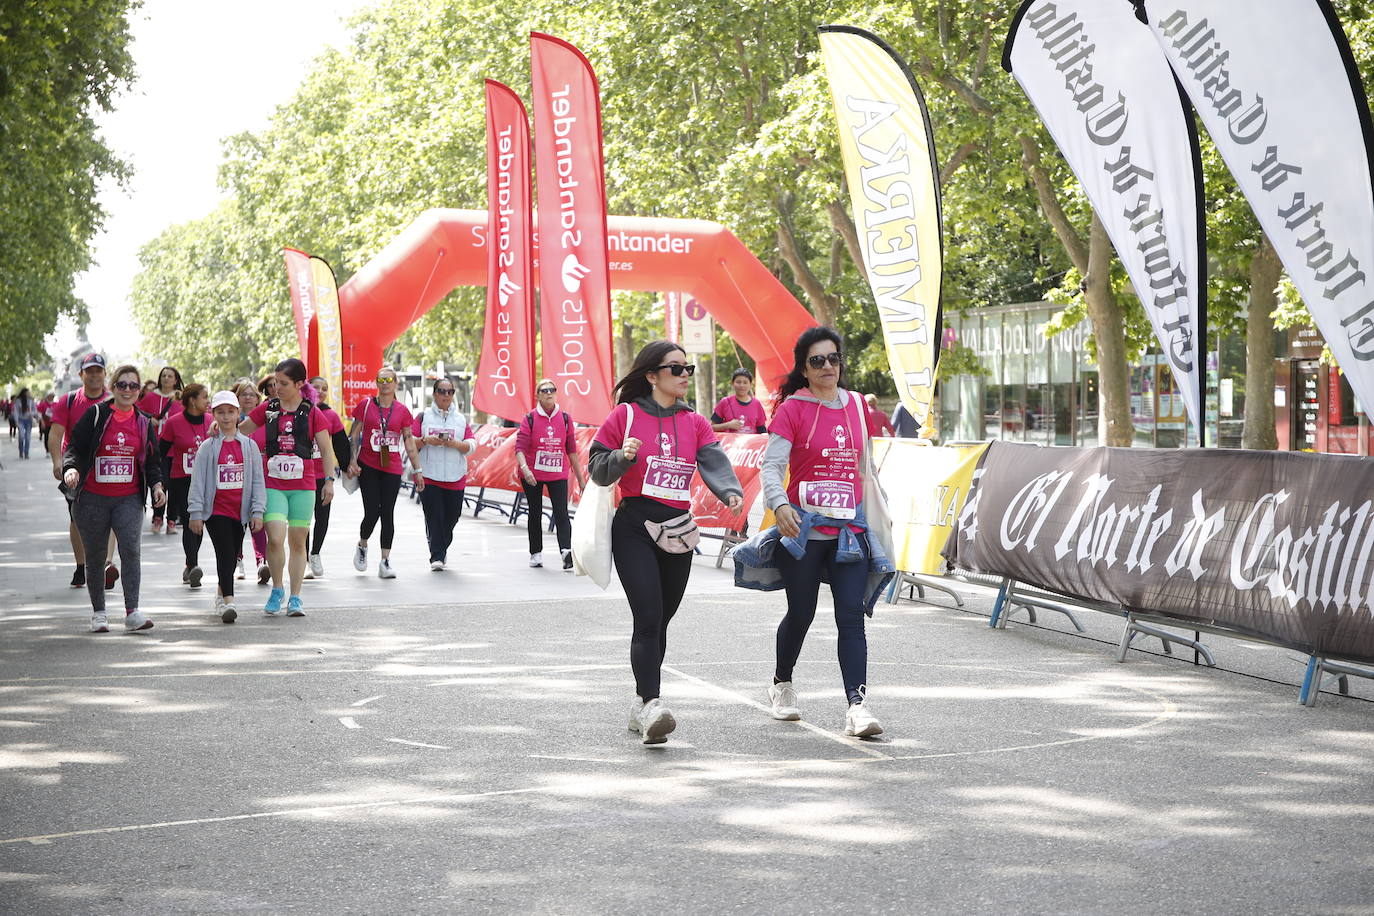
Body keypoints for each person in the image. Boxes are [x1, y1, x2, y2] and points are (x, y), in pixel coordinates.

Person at [734, 326, 896, 739]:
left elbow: (865, 469)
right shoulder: (792, 409)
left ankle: (857, 707)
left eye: (834, 358)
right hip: (802, 532)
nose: (828, 366)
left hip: (850, 534)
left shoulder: (857, 405)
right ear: (804, 368)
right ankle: (781, 684)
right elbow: (772, 466)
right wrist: (780, 503)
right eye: (818, 360)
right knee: (802, 612)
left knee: (851, 618)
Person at [589, 341, 743, 745]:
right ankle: (652, 703)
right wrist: (622, 457)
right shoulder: (625, 415)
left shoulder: (695, 422)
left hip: (678, 530)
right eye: (676, 369)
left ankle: (642, 705)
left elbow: (714, 461)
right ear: (652, 375)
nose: (685, 375)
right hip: (634, 527)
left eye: (687, 368)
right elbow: (597, 470)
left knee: (663, 620)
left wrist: (730, 491)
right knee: (649, 616)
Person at [61, 364, 165, 632]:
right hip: (93, 499)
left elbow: (152, 461)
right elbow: (74, 448)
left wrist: (157, 486)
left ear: (139, 390)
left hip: (128, 499)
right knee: (95, 557)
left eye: (133, 385)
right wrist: (71, 469)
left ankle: (133, 611)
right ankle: (99, 613)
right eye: (122, 385)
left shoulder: (142, 422)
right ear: (113, 387)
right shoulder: (96, 414)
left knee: (130, 550)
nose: (128, 390)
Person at [239, 358, 336, 616]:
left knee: (296, 541)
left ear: (299, 384)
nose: (277, 387)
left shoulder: (312, 412)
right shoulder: (268, 409)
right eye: (275, 382)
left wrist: (329, 481)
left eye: (283, 383)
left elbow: (327, 450)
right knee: (276, 538)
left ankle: (295, 597)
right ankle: (277, 589)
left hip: (303, 487)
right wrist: (222, 427)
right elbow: (242, 430)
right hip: (274, 485)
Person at [188, 391, 266, 624]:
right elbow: (198, 481)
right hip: (216, 511)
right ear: (213, 415)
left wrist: (257, 510)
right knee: (225, 552)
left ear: (238, 413)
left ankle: (221, 594)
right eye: (220, 412)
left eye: (230, 412)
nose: (226, 417)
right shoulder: (207, 448)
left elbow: (258, 480)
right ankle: (230, 602)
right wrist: (196, 513)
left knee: (232, 557)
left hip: (239, 512)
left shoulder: (249, 446)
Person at [345, 366, 423, 579]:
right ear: (377, 382)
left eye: (390, 379)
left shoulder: (403, 411)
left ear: (396, 383)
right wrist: (351, 461)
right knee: (372, 512)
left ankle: (385, 561)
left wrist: (417, 470)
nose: (385, 382)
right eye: (381, 378)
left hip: (392, 467)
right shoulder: (366, 405)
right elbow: (354, 436)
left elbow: (408, 441)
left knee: (387, 513)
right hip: (368, 465)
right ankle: (362, 545)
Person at [50, 353, 116, 590]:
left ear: (105, 374)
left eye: (99, 370)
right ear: (82, 375)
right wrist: (58, 462)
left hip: (108, 467)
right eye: (90, 371)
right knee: (76, 518)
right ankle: (81, 566)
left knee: (110, 517)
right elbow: (56, 434)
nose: (95, 375)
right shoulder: (68, 401)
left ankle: (108, 565)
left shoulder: (115, 400)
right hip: (75, 468)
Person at [514, 379, 586, 569]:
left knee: (561, 512)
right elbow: (519, 447)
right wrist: (525, 469)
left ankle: (566, 552)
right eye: (544, 390)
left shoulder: (564, 418)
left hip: (557, 473)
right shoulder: (529, 418)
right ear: (537, 395)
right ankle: (535, 553)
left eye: (552, 389)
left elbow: (571, 449)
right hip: (532, 474)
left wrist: (580, 479)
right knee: (535, 512)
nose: (549, 393)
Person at [413, 378, 475, 570]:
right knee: (434, 517)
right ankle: (436, 556)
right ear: (434, 393)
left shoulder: (460, 419)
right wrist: (425, 440)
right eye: (441, 391)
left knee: (452, 517)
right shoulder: (423, 417)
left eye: (450, 392)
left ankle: (440, 547)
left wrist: (456, 444)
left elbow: (471, 445)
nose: (446, 395)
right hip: (429, 475)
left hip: (455, 477)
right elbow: (409, 443)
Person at [160, 383, 211, 586]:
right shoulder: (174, 423)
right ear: (192, 400)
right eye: (204, 397)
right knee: (191, 521)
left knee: (200, 524)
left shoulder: (211, 421)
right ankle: (193, 565)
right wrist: (161, 480)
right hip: (182, 479)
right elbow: (160, 452)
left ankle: (190, 565)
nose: (208, 401)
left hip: (206, 480)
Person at [304, 377, 351, 579]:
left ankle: (315, 554)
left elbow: (341, 444)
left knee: (322, 518)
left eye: (325, 389)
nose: (321, 391)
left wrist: (349, 465)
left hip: (323, 475)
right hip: (302, 475)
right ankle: (304, 560)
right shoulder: (299, 410)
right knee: (303, 519)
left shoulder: (330, 415)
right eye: (316, 387)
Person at [138, 366, 183, 533]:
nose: (166, 378)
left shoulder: (180, 398)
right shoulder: (151, 397)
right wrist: (149, 419)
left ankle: (171, 520)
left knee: (174, 486)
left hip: (177, 449)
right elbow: (137, 410)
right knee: (159, 483)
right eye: (163, 375)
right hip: (157, 448)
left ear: (176, 379)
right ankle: (157, 518)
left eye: (170, 376)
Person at [234, 380, 270, 583]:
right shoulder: (231, 418)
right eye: (243, 394)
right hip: (238, 473)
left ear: (258, 398)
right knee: (239, 519)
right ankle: (237, 561)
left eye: (252, 394)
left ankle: (261, 562)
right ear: (237, 399)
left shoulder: (266, 419)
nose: (248, 397)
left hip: (263, 472)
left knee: (259, 518)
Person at [710, 368, 768, 434]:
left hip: (751, 443)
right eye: (738, 382)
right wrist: (728, 425)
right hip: (729, 443)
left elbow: (762, 430)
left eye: (745, 382)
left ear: (750, 385)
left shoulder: (756, 404)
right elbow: (711, 428)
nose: (741, 385)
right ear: (732, 383)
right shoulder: (725, 402)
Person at [12, 388, 35, 459]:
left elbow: (35, 410)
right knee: (21, 437)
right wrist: (16, 421)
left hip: (29, 421)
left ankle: (26, 453)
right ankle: (21, 451)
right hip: (21, 420)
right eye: (28, 392)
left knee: (27, 438)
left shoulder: (31, 401)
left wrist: (32, 413)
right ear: (24, 393)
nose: (29, 394)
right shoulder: (18, 401)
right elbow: (15, 411)